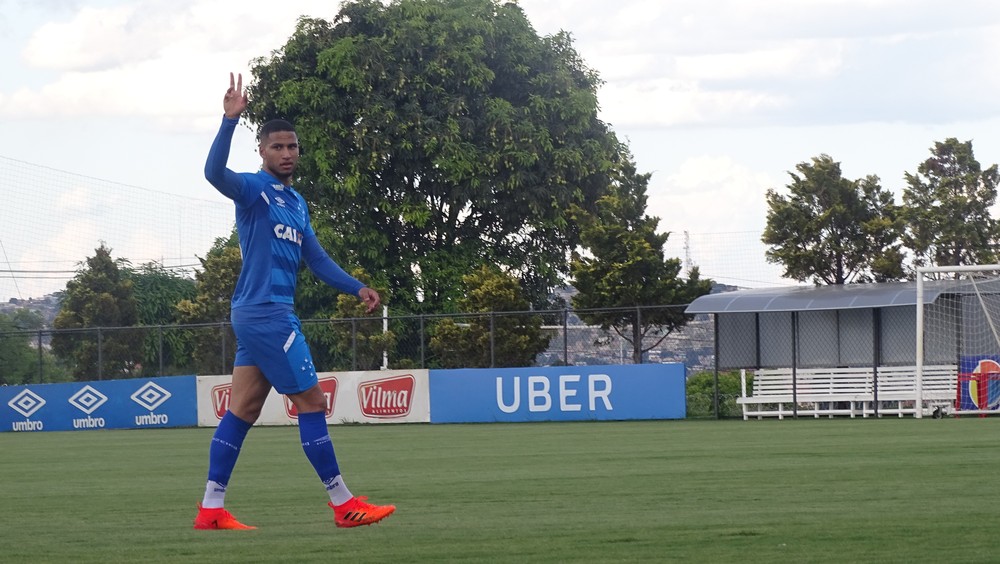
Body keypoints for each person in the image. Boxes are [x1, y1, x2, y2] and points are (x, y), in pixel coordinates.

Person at [193, 73, 395, 530]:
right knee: (312, 401)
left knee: (242, 410)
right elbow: (214, 174)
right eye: (277, 147)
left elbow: (316, 259)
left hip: (258, 314)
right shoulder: (254, 190)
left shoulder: (297, 203)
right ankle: (343, 504)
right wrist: (229, 121)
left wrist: (357, 287)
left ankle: (211, 509)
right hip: (267, 314)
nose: (286, 153)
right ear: (262, 151)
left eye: (292, 147)